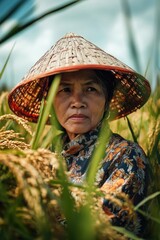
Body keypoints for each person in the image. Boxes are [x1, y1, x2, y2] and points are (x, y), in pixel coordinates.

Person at [8, 33, 151, 236]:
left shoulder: (125, 156)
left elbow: (99, 230)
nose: (77, 101)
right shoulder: (44, 160)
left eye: (91, 89)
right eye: (65, 90)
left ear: (107, 101)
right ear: (49, 104)